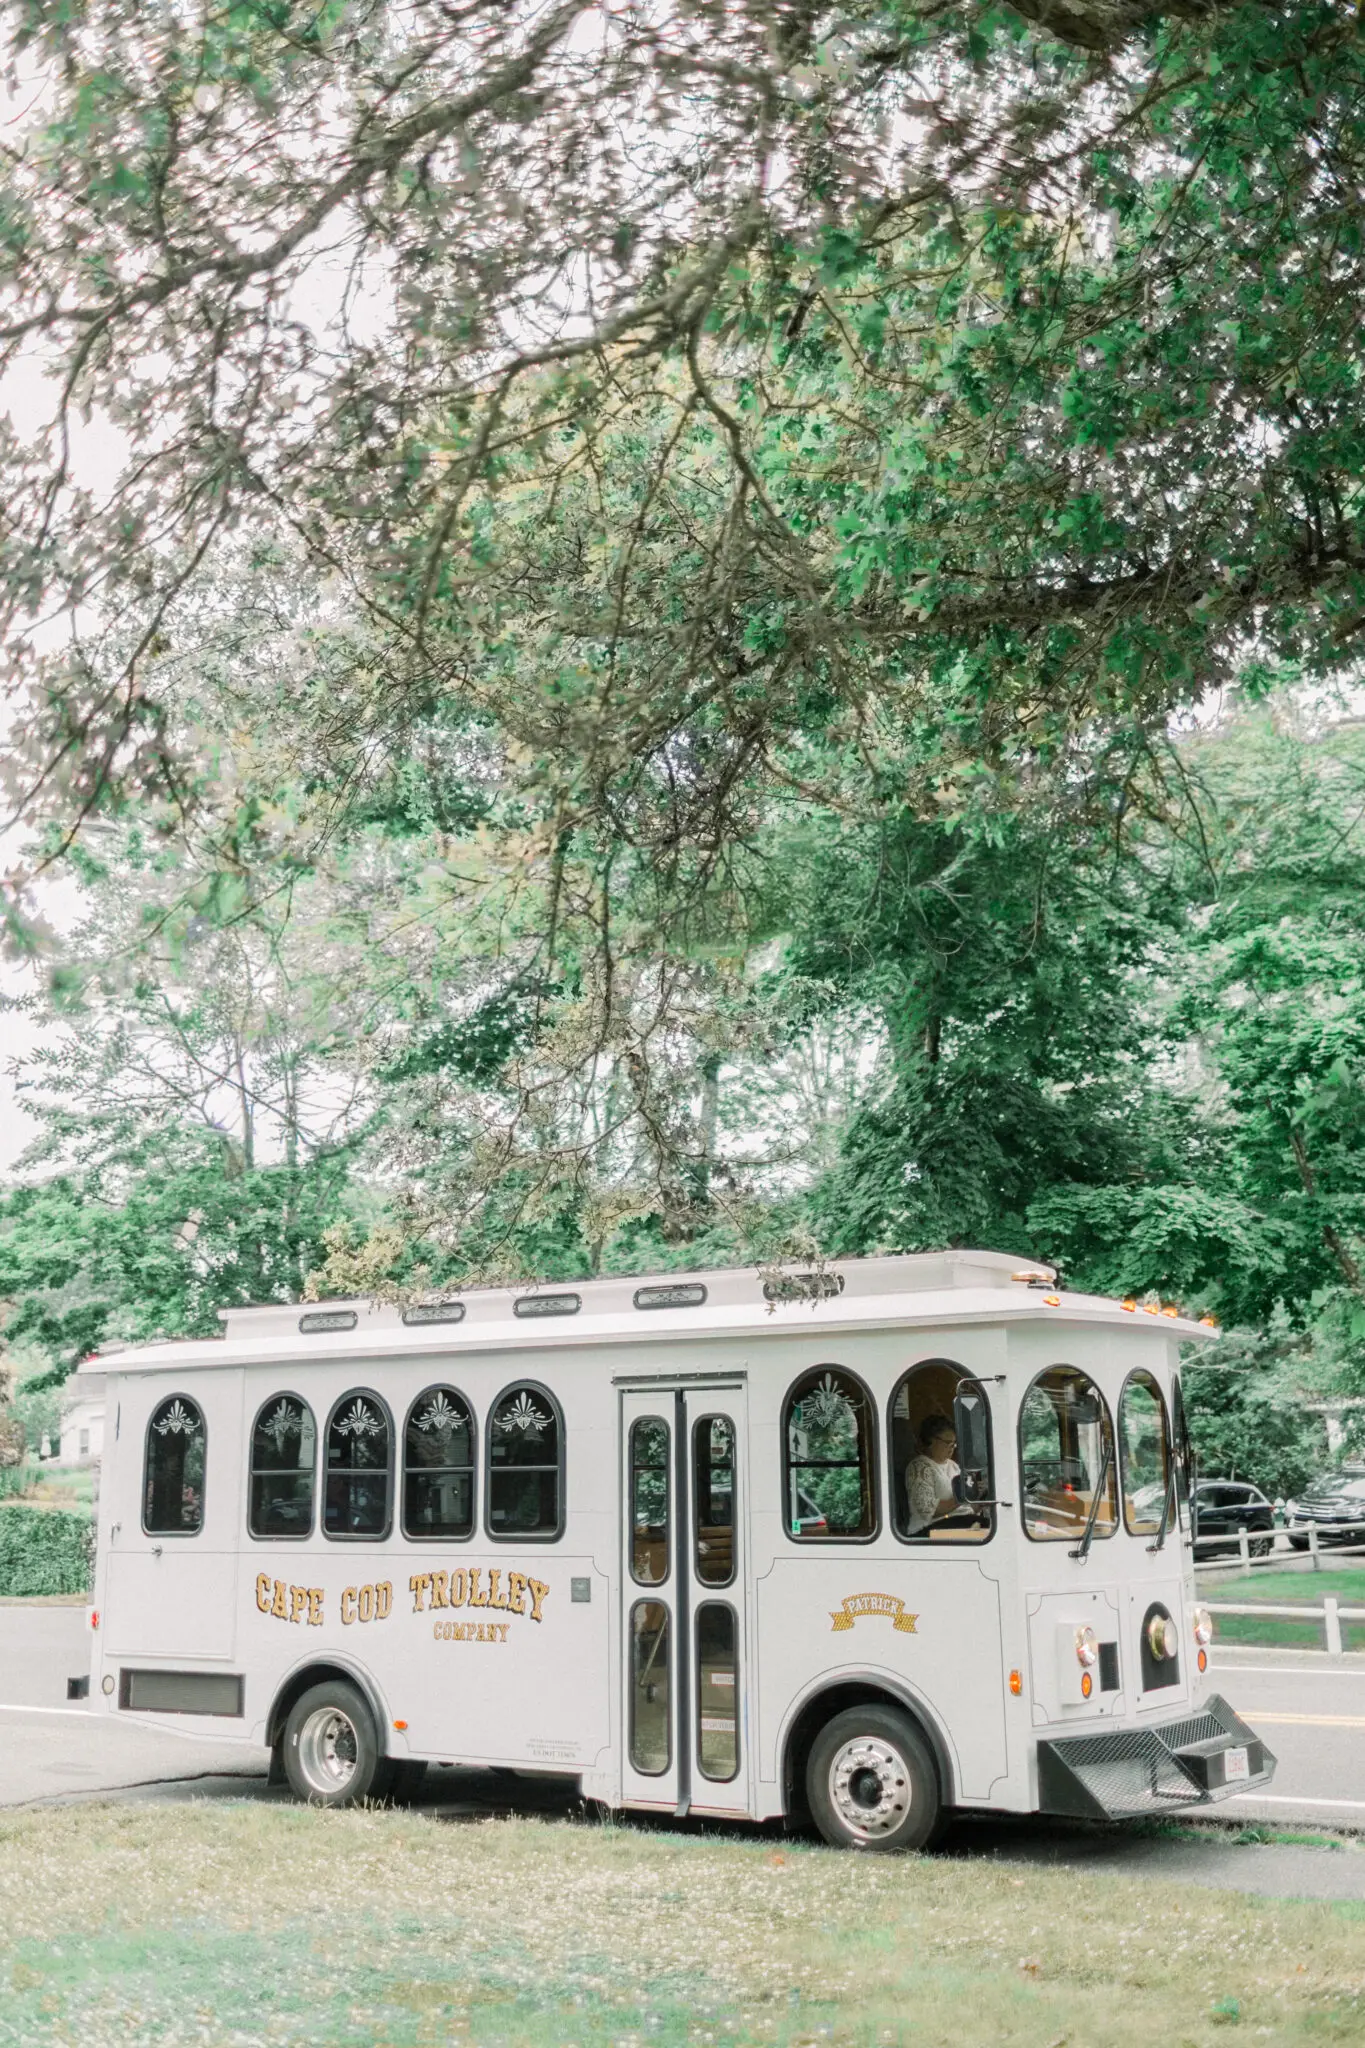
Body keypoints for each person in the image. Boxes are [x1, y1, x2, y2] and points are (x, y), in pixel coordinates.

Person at [905, 1414, 960, 1535]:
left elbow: (967, 1507)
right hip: (930, 1531)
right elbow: (928, 1509)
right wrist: (962, 1498)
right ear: (931, 1440)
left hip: (959, 1525)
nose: (952, 1448)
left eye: (954, 1443)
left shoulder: (954, 1466)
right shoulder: (920, 1466)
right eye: (947, 1442)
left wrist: (978, 1499)